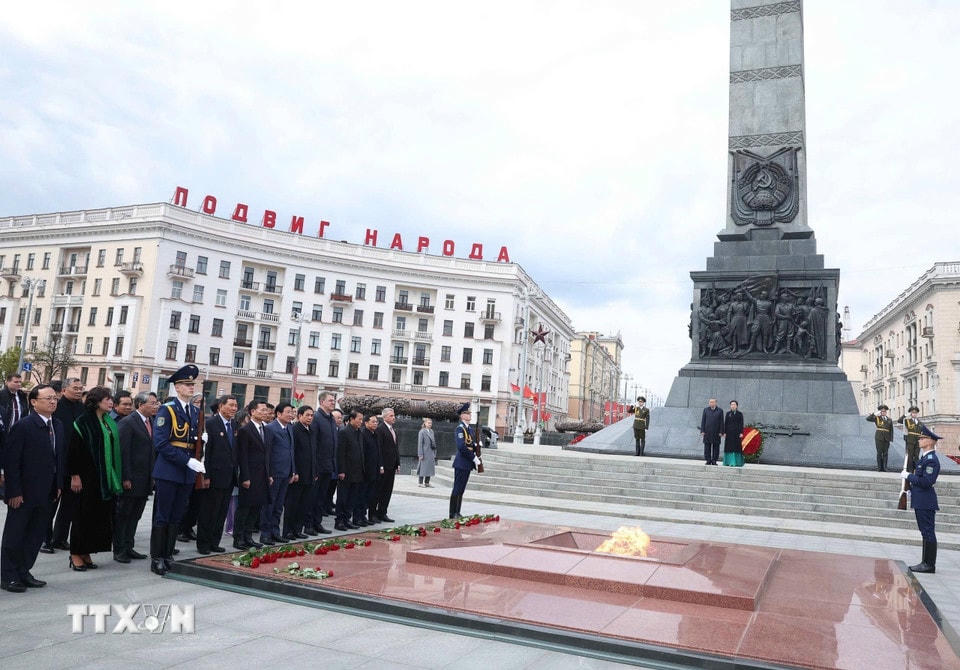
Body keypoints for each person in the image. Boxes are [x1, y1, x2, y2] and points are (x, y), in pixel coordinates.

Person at [1, 385, 65, 592]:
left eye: (54, 398)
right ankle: (8, 575)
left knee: (35, 535)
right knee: (15, 534)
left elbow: (59, 459)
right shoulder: (24, 426)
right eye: (48, 398)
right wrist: (13, 491)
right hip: (24, 492)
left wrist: (58, 485)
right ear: (34, 402)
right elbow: (11, 462)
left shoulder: (58, 425)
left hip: (47, 491)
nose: (53, 401)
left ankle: (24, 571)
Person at [149, 365, 206, 576]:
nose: (191, 387)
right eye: (186, 384)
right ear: (177, 387)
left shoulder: (195, 411)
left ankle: (168, 554)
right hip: (169, 470)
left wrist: (202, 443)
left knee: (176, 515)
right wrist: (187, 461)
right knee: (163, 515)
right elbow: (161, 443)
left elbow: (193, 442)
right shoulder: (168, 409)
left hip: (186, 473)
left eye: (192, 384)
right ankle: (157, 557)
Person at [68, 385, 123, 571]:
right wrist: (75, 475)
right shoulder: (83, 421)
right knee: (82, 515)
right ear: (97, 401)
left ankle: (87, 551)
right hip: (87, 476)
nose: (111, 402)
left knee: (97, 516)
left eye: (111, 399)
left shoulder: (108, 421)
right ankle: (75, 553)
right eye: (107, 399)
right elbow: (74, 450)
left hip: (104, 477)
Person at [113, 392, 158, 563]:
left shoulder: (151, 422)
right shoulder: (128, 422)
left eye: (156, 403)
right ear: (140, 405)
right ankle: (119, 549)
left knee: (135, 515)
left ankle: (129, 546)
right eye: (152, 403)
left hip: (145, 478)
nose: (155, 406)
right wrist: (125, 477)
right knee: (124, 515)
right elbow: (123, 452)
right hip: (131, 478)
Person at [45, 377, 85, 553]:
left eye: (80, 388)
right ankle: (45, 540)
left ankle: (60, 538)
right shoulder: (56, 408)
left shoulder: (82, 409)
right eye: (75, 388)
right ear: (63, 390)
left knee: (69, 505)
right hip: (57, 464)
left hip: (75, 463)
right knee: (51, 504)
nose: (78, 391)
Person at [196, 395, 238, 554]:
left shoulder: (234, 424)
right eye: (231, 405)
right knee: (208, 512)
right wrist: (206, 475)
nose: (234, 408)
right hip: (213, 476)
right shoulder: (211, 424)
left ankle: (215, 542)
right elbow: (206, 452)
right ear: (221, 406)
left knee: (221, 513)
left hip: (229, 476)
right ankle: (203, 544)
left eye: (236, 406)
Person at [234, 400, 271, 550]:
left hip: (262, 475)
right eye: (262, 410)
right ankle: (238, 538)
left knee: (256, 507)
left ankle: (248, 537)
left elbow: (267, 455)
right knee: (244, 508)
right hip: (249, 475)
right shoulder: (245, 430)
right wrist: (245, 477)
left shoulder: (266, 430)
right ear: (252, 412)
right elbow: (242, 456)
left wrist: (269, 474)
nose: (265, 412)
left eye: (266, 410)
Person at [903, 425, 941, 574]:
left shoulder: (931, 460)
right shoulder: (924, 458)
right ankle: (925, 562)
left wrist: (909, 476)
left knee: (928, 532)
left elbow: (926, 481)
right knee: (925, 532)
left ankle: (929, 564)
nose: (919, 440)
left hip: (925, 501)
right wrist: (910, 489)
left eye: (922, 438)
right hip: (921, 500)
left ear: (930, 441)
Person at [261, 402, 296, 545]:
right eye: (288, 412)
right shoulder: (270, 428)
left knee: (279, 506)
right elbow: (267, 453)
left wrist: (293, 471)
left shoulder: (290, 428)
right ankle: (265, 534)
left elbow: (291, 451)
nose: (291, 415)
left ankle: (275, 532)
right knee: (269, 505)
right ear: (279, 414)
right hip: (274, 473)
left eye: (292, 412)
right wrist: (268, 473)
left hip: (286, 473)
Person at [284, 405, 318, 539]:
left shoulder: (312, 430)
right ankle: (288, 531)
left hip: (310, 474)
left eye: (311, 415)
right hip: (298, 474)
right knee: (293, 504)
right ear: (299, 416)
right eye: (307, 415)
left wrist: (315, 472)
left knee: (304, 504)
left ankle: (298, 530)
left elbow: (314, 452)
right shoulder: (294, 430)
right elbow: (293, 453)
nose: (310, 418)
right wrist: (294, 471)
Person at [307, 392, 337, 534]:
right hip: (318, 466)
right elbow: (313, 444)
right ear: (322, 402)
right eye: (330, 400)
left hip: (328, 465)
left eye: (334, 400)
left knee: (321, 498)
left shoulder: (331, 419)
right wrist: (314, 467)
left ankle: (317, 523)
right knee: (312, 498)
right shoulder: (316, 418)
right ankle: (308, 525)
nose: (333, 402)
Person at [335, 410, 364, 531]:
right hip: (346, 471)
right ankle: (339, 521)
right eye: (359, 419)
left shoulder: (359, 432)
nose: (361, 422)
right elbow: (340, 453)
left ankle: (347, 519)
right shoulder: (344, 432)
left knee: (352, 498)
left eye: (362, 419)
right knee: (343, 497)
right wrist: (341, 470)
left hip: (357, 471)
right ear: (351, 419)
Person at [449, 403, 479, 519]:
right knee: (457, 488)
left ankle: (458, 512)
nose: (469, 414)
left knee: (461, 489)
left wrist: (476, 446)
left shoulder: (469, 429)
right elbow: (461, 447)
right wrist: (473, 457)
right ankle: (452, 513)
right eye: (467, 413)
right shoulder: (460, 429)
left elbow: (470, 444)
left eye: (469, 413)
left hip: (467, 464)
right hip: (461, 463)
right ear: (462, 416)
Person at [372, 407, 400, 523]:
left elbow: (395, 448)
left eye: (394, 415)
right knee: (378, 491)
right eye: (391, 416)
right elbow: (379, 449)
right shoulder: (380, 429)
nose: (393, 418)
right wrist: (381, 465)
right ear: (384, 417)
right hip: (383, 467)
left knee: (387, 491)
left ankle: (383, 512)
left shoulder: (393, 430)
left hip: (391, 466)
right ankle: (373, 514)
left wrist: (397, 463)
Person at [359, 414, 383, 525]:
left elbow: (379, 452)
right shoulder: (363, 434)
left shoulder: (376, 434)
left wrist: (380, 466)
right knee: (362, 495)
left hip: (375, 470)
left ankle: (367, 516)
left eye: (376, 422)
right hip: (366, 471)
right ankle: (359, 517)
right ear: (366, 423)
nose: (375, 424)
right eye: (373, 422)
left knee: (371, 495)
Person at [866, 404, 893, 472]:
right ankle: (879, 467)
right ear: (880, 412)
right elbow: (868, 419)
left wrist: (891, 439)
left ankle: (885, 467)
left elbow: (891, 430)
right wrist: (875, 414)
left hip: (886, 438)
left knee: (885, 453)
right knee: (879, 453)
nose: (883, 412)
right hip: (879, 437)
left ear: (886, 412)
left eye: (884, 411)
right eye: (882, 411)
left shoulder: (889, 419)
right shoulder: (877, 418)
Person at [896, 406, 924, 473]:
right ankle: (910, 470)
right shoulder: (907, 420)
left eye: (915, 413)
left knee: (916, 456)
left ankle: (916, 470)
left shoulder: (920, 423)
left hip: (918, 441)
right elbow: (899, 421)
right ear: (911, 413)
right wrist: (905, 415)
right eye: (913, 413)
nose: (914, 414)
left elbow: (922, 432)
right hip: (910, 440)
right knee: (910, 456)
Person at [700, 398, 724, 465]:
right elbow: (703, 421)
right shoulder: (705, 410)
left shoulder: (720, 411)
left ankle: (714, 460)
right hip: (707, 432)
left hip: (716, 432)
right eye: (710, 402)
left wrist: (721, 431)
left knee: (716, 447)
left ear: (716, 403)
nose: (711, 403)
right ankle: (708, 460)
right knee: (707, 447)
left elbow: (722, 422)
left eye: (712, 402)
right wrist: (702, 430)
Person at [722, 400, 745, 467]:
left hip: (737, 434)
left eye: (734, 404)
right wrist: (724, 432)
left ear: (736, 406)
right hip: (729, 433)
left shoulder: (740, 414)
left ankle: (737, 462)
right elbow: (725, 423)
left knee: (736, 447)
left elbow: (741, 424)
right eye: (731, 404)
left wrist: (741, 432)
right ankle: (728, 462)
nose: (733, 406)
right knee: (729, 447)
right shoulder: (728, 414)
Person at [417, 418, 436, 487]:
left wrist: (434, 452)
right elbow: (420, 443)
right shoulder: (422, 432)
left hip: (431, 452)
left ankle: (427, 482)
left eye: (431, 423)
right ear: (425, 423)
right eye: (428, 423)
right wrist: (420, 454)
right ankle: (420, 483)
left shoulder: (431, 431)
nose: (430, 424)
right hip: (424, 452)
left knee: (429, 468)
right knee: (423, 467)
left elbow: (434, 442)